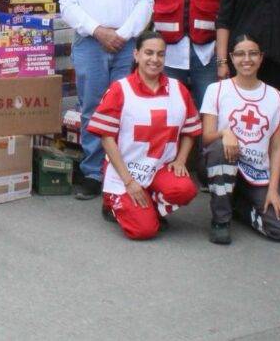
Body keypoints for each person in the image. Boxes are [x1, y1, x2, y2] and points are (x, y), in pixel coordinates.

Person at [57, 0, 154, 200]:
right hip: (89, 42)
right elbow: (67, 4)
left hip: (126, 44)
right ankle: (91, 172)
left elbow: (145, 0)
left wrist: (122, 34)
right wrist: (98, 31)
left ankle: (121, 174)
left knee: (125, 110)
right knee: (93, 108)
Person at [85, 31, 202, 240]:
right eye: (149, 53)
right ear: (136, 55)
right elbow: (106, 137)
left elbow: (190, 130)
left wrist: (182, 160)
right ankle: (112, 203)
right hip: (125, 171)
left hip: (159, 168)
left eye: (160, 54)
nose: (155, 59)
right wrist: (129, 182)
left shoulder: (178, 90)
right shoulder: (120, 89)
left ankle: (149, 205)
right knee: (143, 230)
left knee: (184, 189)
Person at [199, 34, 280, 245]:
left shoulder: (275, 96)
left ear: (261, 58)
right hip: (224, 162)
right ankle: (221, 220)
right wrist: (224, 133)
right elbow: (207, 138)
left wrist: (273, 188)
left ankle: (239, 206)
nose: (247, 59)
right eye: (240, 54)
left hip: (258, 172)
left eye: (253, 53)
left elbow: (278, 147)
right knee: (218, 147)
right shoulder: (216, 90)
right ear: (231, 58)